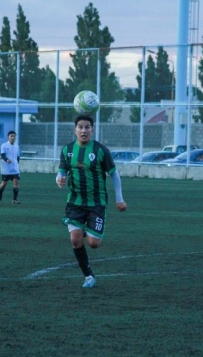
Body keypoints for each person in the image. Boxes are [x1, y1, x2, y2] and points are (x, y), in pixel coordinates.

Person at [56, 114, 127, 288]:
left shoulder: (101, 151)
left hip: (96, 203)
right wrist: (59, 178)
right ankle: (88, 276)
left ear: (92, 130)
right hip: (75, 202)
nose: (84, 130)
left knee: (94, 244)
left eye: (87, 127)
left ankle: (88, 230)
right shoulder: (67, 150)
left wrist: (120, 199)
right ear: (75, 130)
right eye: (80, 127)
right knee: (75, 240)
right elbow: (61, 171)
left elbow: (114, 174)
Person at [0, 130, 22, 204]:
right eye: (11, 136)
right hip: (6, 168)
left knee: (16, 181)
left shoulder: (17, 146)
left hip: (15, 168)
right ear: (8, 137)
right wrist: (6, 160)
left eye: (14, 136)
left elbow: (18, 156)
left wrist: (17, 164)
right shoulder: (4, 145)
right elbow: (2, 155)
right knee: (4, 183)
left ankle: (14, 199)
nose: (13, 137)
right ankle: (0, 196)